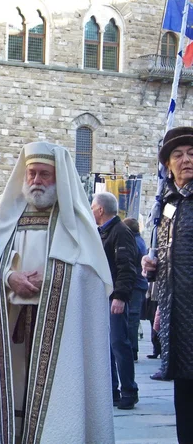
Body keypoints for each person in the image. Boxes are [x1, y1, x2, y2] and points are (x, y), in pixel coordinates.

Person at [0, 142, 115, 444]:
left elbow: (91, 278)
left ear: (59, 178)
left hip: (60, 334)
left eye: (44, 174)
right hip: (11, 330)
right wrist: (10, 278)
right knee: (10, 397)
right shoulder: (8, 221)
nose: (36, 180)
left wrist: (56, 283)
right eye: (32, 173)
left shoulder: (77, 226)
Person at [142, 126, 193, 443]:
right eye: (178, 154)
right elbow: (162, 255)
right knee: (184, 395)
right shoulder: (165, 205)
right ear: (168, 164)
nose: (186, 159)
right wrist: (151, 267)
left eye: (191, 153)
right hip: (177, 316)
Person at [91, 192, 139, 410]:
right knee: (108, 346)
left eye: (93, 207)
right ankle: (112, 391)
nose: (91, 211)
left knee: (119, 344)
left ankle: (129, 391)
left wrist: (120, 297)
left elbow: (126, 266)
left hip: (114, 298)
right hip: (104, 297)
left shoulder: (120, 231)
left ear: (101, 210)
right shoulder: (104, 232)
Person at [123, 217, 149, 362]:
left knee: (132, 318)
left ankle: (132, 351)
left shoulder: (133, 242)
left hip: (135, 285)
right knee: (133, 318)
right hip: (139, 284)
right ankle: (133, 350)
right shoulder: (139, 241)